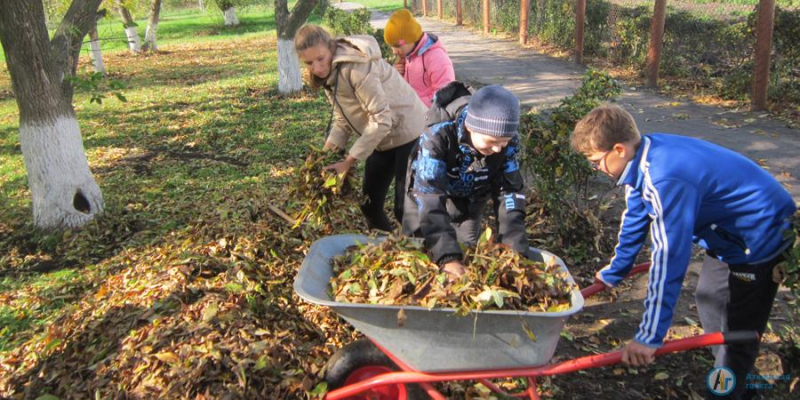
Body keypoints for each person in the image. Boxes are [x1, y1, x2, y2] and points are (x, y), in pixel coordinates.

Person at [571, 104, 796, 399]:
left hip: (758, 236)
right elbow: (637, 215)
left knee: (736, 333)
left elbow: (669, 256)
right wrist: (618, 269)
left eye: (596, 161)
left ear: (618, 149)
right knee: (709, 299)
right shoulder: (643, 159)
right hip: (727, 236)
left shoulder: (666, 178)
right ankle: (740, 381)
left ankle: (727, 388)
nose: (596, 169)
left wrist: (649, 336)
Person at [295, 24, 428, 231]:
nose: (317, 68)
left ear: (331, 48)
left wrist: (349, 161)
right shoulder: (329, 76)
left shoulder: (356, 68)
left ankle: (422, 253)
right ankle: (387, 250)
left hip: (409, 131)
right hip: (381, 137)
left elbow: (382, 119)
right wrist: (326, 153)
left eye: (320, 59)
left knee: (405, 210)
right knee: (369, 206)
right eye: (309, 63)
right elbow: (342, 120)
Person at [402, 84, 528, 278]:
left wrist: (515, 251)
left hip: (471, 197)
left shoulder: (506, 142)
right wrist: (447, 256)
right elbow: (429, 197)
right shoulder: (437, 135)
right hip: (425, 195)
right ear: (471, 127)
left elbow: (509, 193)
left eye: (504, 141)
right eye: (492, 141)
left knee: (467, 250)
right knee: (418, 255)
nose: (498, 149)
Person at [384, 9, 455, 107]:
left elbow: (445, 95)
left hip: (429, 117)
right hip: (410, 113)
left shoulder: (436, 57)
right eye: (391, 46)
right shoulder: (407, 56)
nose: (394, 52)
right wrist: (394, 75)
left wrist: (411, 104)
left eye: (397, 46)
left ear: (409, 40)